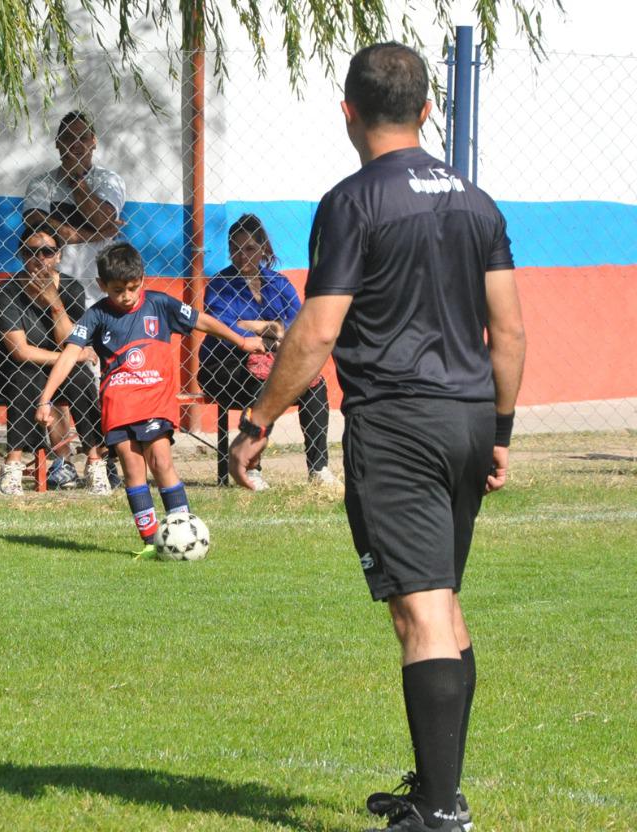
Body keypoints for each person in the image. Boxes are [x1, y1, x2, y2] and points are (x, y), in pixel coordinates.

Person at [228, 43, 525, 832]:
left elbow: (318, 331)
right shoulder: (479, 202)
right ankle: (439, 788)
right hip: (467, 417)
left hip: (398, 422)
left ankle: (439, 813)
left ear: (348, 112)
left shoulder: (352, 201)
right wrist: (499, 431)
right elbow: (511, 331)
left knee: (420, 614)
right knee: (444, 607)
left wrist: (257, 422)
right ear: (428, 109)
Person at [39, 243, 264, 557]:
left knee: (160, 461)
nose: (127, 296)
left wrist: (241, 341)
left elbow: (202, 321)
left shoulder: (159, 304)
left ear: (142, 280)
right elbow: (69, 355)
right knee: (133, 470)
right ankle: (150, 543)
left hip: (155, 400)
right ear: (102, 286)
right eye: (117, 290)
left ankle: (182, 533)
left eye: (133, 287)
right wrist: (45, 399)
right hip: (118, 404)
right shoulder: (97, 315)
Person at [201, 213, 338, 489]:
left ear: (263, 249)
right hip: (224, 367)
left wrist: (256, 327)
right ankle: (252, 468)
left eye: (250, 248)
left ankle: (319, 468)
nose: (242, 256)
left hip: (272, 365)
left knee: (315, 385)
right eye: (236, 249)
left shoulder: (280, 284)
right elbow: (226, 328)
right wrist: (270, 328)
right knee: (259, 376)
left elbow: (296, 327)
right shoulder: (219, 284)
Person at [0, 224, 108, 496]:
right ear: (21, 255)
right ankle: (13, 465)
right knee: (27, 372)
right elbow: (21, 351)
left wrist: (55, 303)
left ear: (59, 255)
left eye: (47, 252)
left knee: (81, 376)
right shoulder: (8, 290)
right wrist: (71, 357)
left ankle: (95, 462)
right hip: (13, 370)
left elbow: (69, 342)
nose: (39, 259)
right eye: (31, 252)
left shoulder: (70, 288)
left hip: (60, 370)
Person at [23, 111, 125, 306]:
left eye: (82, 138)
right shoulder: (41, 184)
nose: (75, 144)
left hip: (98, 295)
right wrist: (95, 235)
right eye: (68, 138)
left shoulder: (109, 181)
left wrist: (77, 181)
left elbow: (101, 220)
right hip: (50, 291)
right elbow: (37, 226)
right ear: (57, 143)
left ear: (93, 142)